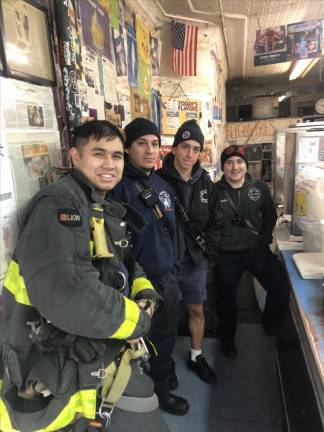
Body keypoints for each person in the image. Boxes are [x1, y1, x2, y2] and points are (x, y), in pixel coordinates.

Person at [0, 120, 170, 432]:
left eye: (117, 156)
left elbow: (125, 263)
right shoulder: (60, 205)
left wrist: (146, 294)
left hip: (91, 361)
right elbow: (71, 294)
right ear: (75, 157)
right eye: (99, 154)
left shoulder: (97, 203)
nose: (110, 164)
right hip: (51, 369)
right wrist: (139, 321)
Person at [111, 118, 189, 416]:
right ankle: (150, 392)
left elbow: (175, 230)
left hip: (167, 280)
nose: (148, 150)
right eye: (141, 143)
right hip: (137, 285)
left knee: (166, 336)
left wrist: (176, 268)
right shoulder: (118, 188)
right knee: (139, 341)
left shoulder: (163, 185)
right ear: (128, 147)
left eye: (154, 144)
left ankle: (162, 382)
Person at [213, 144, 290, 359]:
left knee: (280, 287)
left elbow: (270, 215)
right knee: (226, 301)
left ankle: (271, 326)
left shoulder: (259, 188)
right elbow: (208, 223)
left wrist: (264, 238)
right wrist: (215, 249)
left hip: (256, 250)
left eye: (239, 162)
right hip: (227, 254)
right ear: (223, 167)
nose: (234, 167)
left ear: (246, 165)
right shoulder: (213, 191)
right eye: (229, 162)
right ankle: (227, 340)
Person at [157, 120, 217, 384]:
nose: (190, 154)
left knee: (196, 310)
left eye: (195, 148)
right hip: (165, 264)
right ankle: (162, 364)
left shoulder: (206, 184)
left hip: (194, 262)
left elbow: (215, 221)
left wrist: (206, 250)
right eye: (185, 147)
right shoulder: (156, 181)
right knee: (163, 318)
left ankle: (196, 356)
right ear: (174, 148)